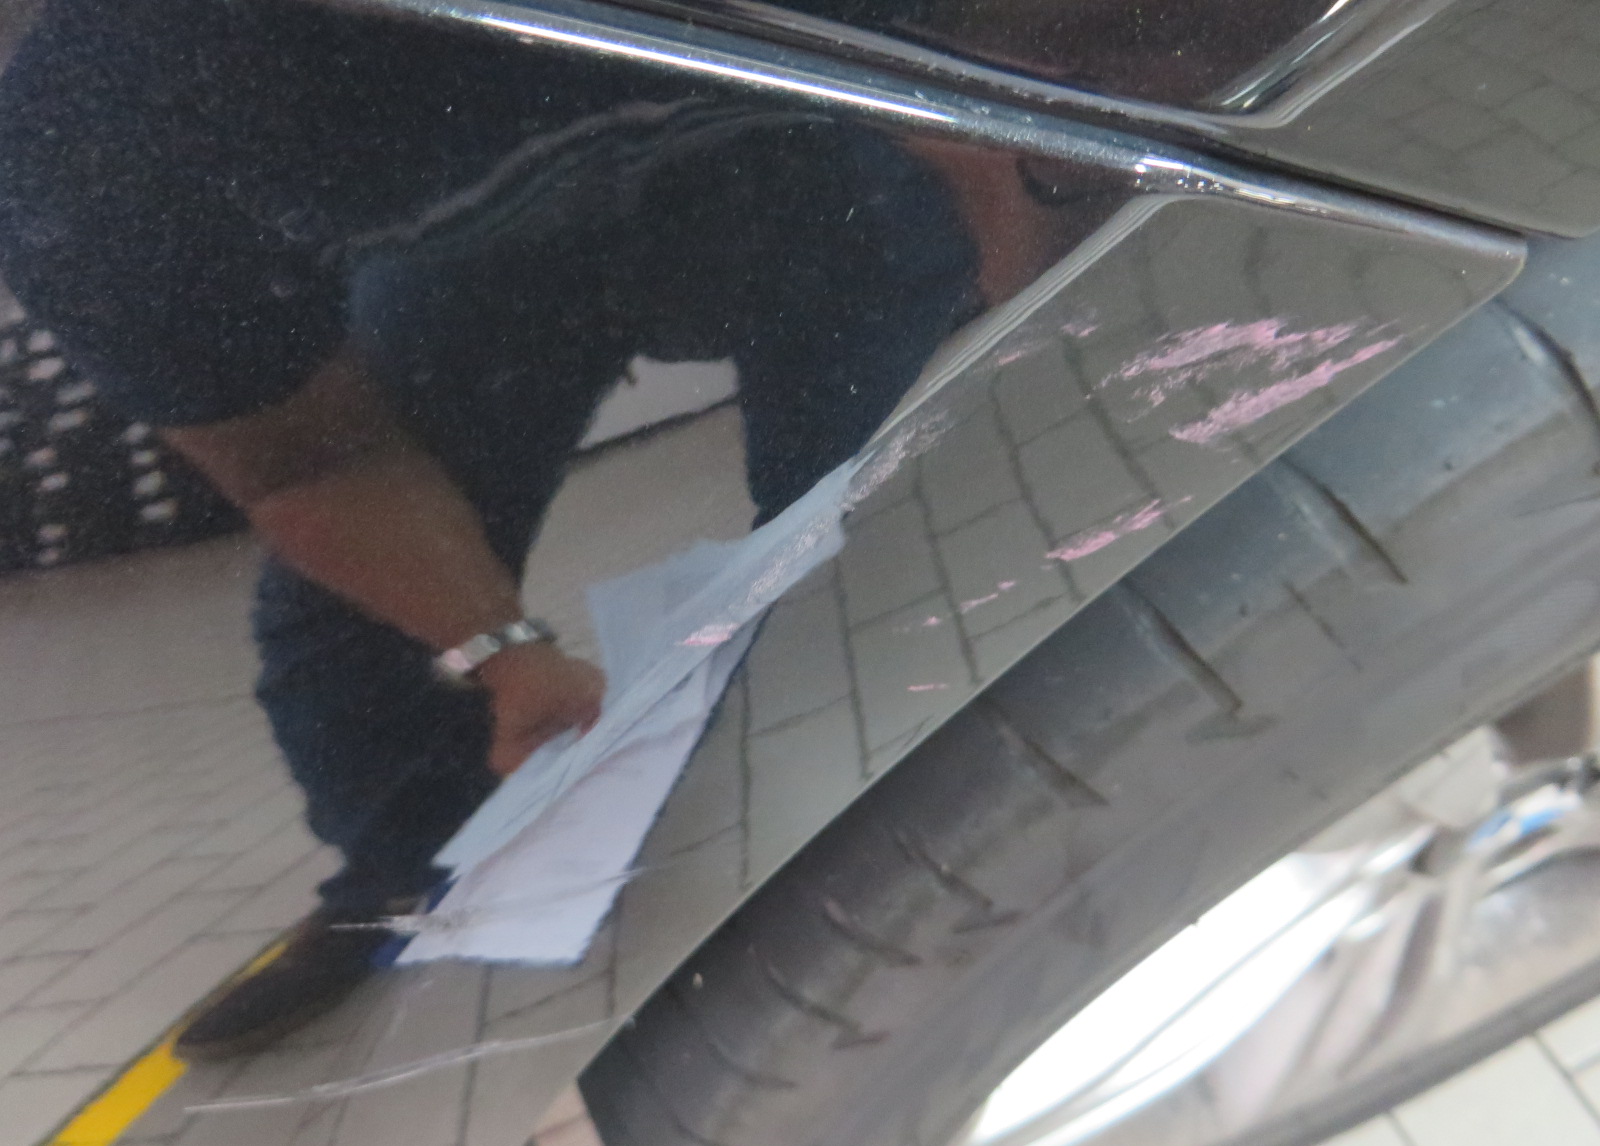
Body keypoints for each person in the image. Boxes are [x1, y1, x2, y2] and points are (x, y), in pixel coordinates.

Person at [0, 0, 978, 1057]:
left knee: (879, 493)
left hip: (789, 146)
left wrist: (1016, 239)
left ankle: (933, 734)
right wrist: (502, 651)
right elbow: (308, 462)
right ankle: (415, 873)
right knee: (342, 635)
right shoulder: (81, 141)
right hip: (479, 253)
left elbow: (1005, 106)